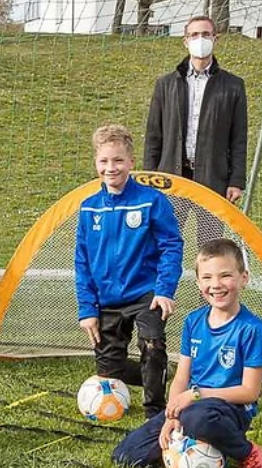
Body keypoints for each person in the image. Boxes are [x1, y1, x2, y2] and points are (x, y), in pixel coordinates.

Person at [112, 238, 262, 468]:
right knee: (126, 456)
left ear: (244, 278)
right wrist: (171, 415)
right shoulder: (194, 321)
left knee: (198, 419)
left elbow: (250, 392)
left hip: (228, 409)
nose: (216, 285)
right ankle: (196, 446)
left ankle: (248, 453)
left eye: (225, 276)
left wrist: (196, 396)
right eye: (208, 278)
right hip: (192, 406)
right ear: (198, 282)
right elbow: (182, 377)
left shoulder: (253, 328)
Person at [75, 124, 184, 418]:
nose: (111, 168)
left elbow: (171, 245)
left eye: (118, 160)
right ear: (96, 163)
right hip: (106, 300)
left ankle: (155, 412)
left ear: (131, 162)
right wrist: (87, 309)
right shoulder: (89, 209)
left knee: (152, 343)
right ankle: (161, 372)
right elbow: (82, 262)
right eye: (104, 161)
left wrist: (164, 290)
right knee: (110, 369)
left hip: (145, 294)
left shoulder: (151, 201)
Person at [144, 15, 248, 204]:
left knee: (211, 234)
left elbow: (239, 139)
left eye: (206, 34)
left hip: (214, 179)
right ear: (186, 41)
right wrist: (150, 177)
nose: (200, 39)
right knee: (168, 233)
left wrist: (237, 181)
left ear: (215, 39)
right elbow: (153, 136)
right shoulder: (165, 85)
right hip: (172, 178)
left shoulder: (233, 86)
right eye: (194, 35)